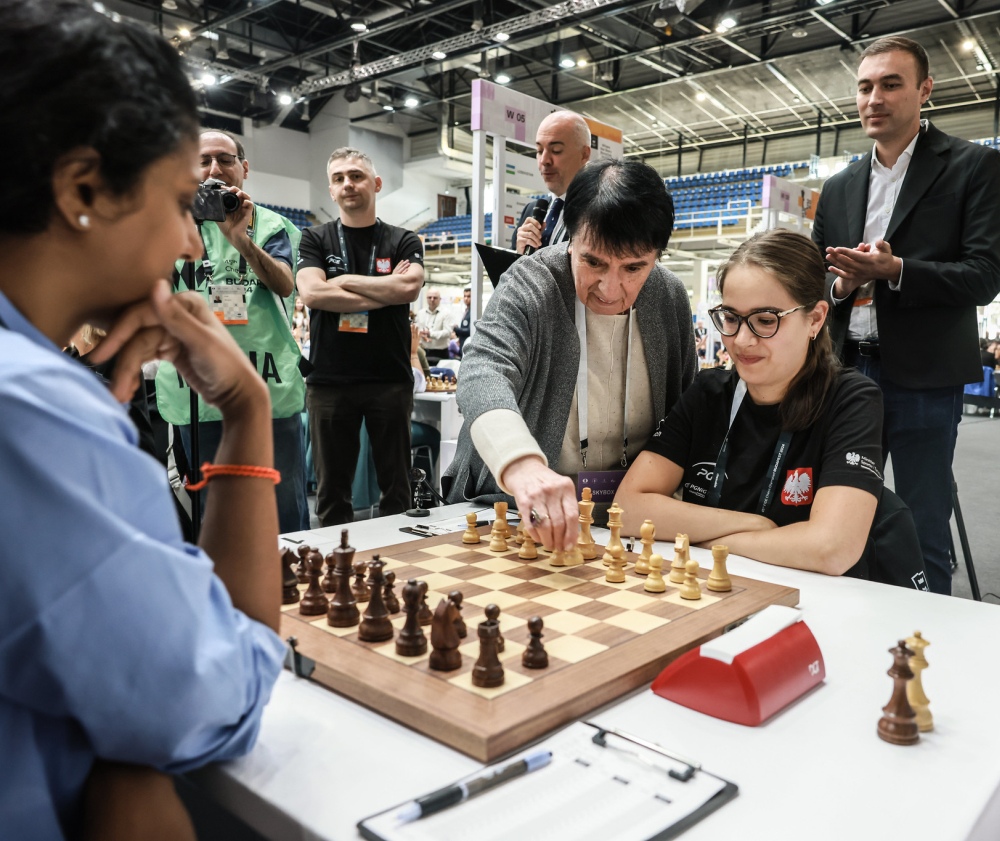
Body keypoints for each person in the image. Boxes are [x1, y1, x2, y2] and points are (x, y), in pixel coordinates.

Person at [0, 3, 286, 839]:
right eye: (174, 203)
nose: (191, 246)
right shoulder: (31, 411)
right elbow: (213, 702)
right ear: (84, 188)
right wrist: (246, 407)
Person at [811, 36, 1000, 594]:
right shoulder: (840, 185)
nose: (875, 98)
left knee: (922, 525)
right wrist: (842, 284)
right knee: (839, 518)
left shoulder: (974, 167)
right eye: (866, 86)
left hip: (924, 378)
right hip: (845, 377)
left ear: (924, 91)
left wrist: (897, 271)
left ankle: (927, 654)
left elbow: (985, 276)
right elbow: (816, 280)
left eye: (891, 84)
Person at [617, 229, 915, 581]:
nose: (742, 340)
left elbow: (832, 549)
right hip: (720, 592)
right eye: (730, 318)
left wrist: (707, 540)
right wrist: (752, 525)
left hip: (816, 603)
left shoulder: (851, 400)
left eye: (765, 321)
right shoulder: (708, 393)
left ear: (816, 319)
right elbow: (628, 508)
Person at [446, 159, 697, 552]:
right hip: (516, 510)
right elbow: (482, 370)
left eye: (634, 267)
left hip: (628, 520)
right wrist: (522, 466)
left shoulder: (668, 296)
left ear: (657, 256)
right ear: (570, 238)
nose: (610, 290)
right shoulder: (532, 281)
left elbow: (684, 409)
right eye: (592, 261)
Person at [154, 128, 309, 533]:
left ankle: (291, 592)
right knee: (213, 517)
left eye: (224, 159)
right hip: (196, 397)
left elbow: (284, 283)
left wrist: (240, 241)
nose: (214, 170)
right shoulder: (168, 229)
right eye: (202, 161)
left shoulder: (274, 225)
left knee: (282, 514)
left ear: (244, 167)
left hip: (268, 394)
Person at [297, 148, 425, 526]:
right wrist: (385, 287)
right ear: (331, 190)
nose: (347, 184)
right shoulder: (314, 238)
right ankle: (336, 572)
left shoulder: (403, 239)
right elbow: (312, 294)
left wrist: (344, 280)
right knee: (331, 491)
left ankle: (399, 567)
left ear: (376, 184)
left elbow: (410, 288)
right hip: (329, 383)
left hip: (390, 380)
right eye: (338, 178)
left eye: (356, 176)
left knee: (396, 489)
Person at [511, 111, 592, 255]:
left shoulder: (603, 210)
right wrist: (519, 255)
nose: (544, 160)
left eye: (556, 150)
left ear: (584, 154)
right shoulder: (531, 210)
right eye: (539, 151)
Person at [414, 287, 450, 364]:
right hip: (424, 351)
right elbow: (417, 329)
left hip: (440, 353)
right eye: (429, 297)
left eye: (435, 298)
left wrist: (430, 334)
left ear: (440, 299)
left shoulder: (446, 313)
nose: (432, 300)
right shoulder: (420, 313)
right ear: (426, 298)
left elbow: (448, 332)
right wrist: (422, 335)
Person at [454, 287, 472, 354]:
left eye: (469, 296)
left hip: (468, 344)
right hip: (462, 343)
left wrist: (456, 329)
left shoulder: (474, 311)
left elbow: (470, 331)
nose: (466, 298)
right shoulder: (466, 311)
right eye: (465, 296)